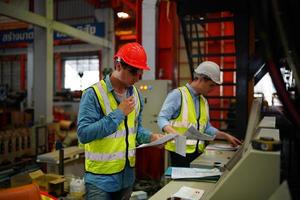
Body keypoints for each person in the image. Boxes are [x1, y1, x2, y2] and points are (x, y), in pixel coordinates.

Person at [77, 42, 163, 200]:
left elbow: (134, 130)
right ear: (118, 66)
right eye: (133, 72)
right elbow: (84, 134)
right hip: (100, 180)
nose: (137, 78)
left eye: (140, 73)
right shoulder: (93, 94)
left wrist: (151, 137)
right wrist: (118, 114)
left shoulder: (136, 95)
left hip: (127, 178)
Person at [157, 61, 242, 167]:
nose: (212, 89)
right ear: (201, 79)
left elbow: (206, 128)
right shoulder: (178, 95)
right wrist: (174, 133)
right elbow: (161, 119)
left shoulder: (203, 101)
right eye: (211, 85)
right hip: (179, 153)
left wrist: (225, 135)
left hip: (198, 153)